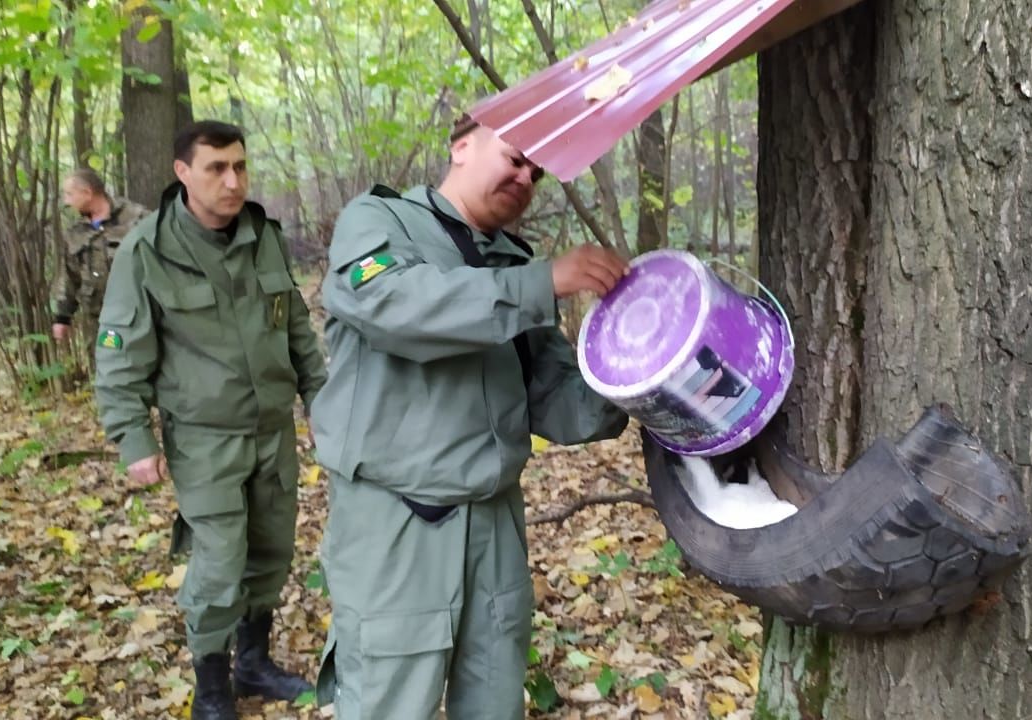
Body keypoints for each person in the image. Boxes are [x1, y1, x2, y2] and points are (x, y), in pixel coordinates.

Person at [312, 114, 630, 720]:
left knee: (493, 697)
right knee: (389, 702)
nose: (524, 175)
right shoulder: (379, 223)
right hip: (398, 522)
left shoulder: (513, 261)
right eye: (514, 157)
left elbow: (557, 401)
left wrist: (634, 375)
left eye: (535, 172)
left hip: (494, 521)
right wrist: (542, 284)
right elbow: (392, 306)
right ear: (461, 145)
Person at [94, 120, 327, 720]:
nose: (233, 180)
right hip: (205, 439)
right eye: (217, 169)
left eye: (240, 167)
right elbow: (121, 353)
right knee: (220, 563)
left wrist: (321, 402)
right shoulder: (148, 250)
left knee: (270, 552)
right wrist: (133, 438)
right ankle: (213, 687)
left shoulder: (263, 235)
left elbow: (296, 329)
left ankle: (253, 663)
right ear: (182, 173)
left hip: (272, 432)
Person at [52, 168, 148, 352]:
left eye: (70, 194)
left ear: (87, 193)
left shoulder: (138, 219)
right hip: (102, 323)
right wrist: (62, 317)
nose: (66, 201)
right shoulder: (76, 233)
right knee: (109, 373)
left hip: (141, 317)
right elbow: (70, 276)